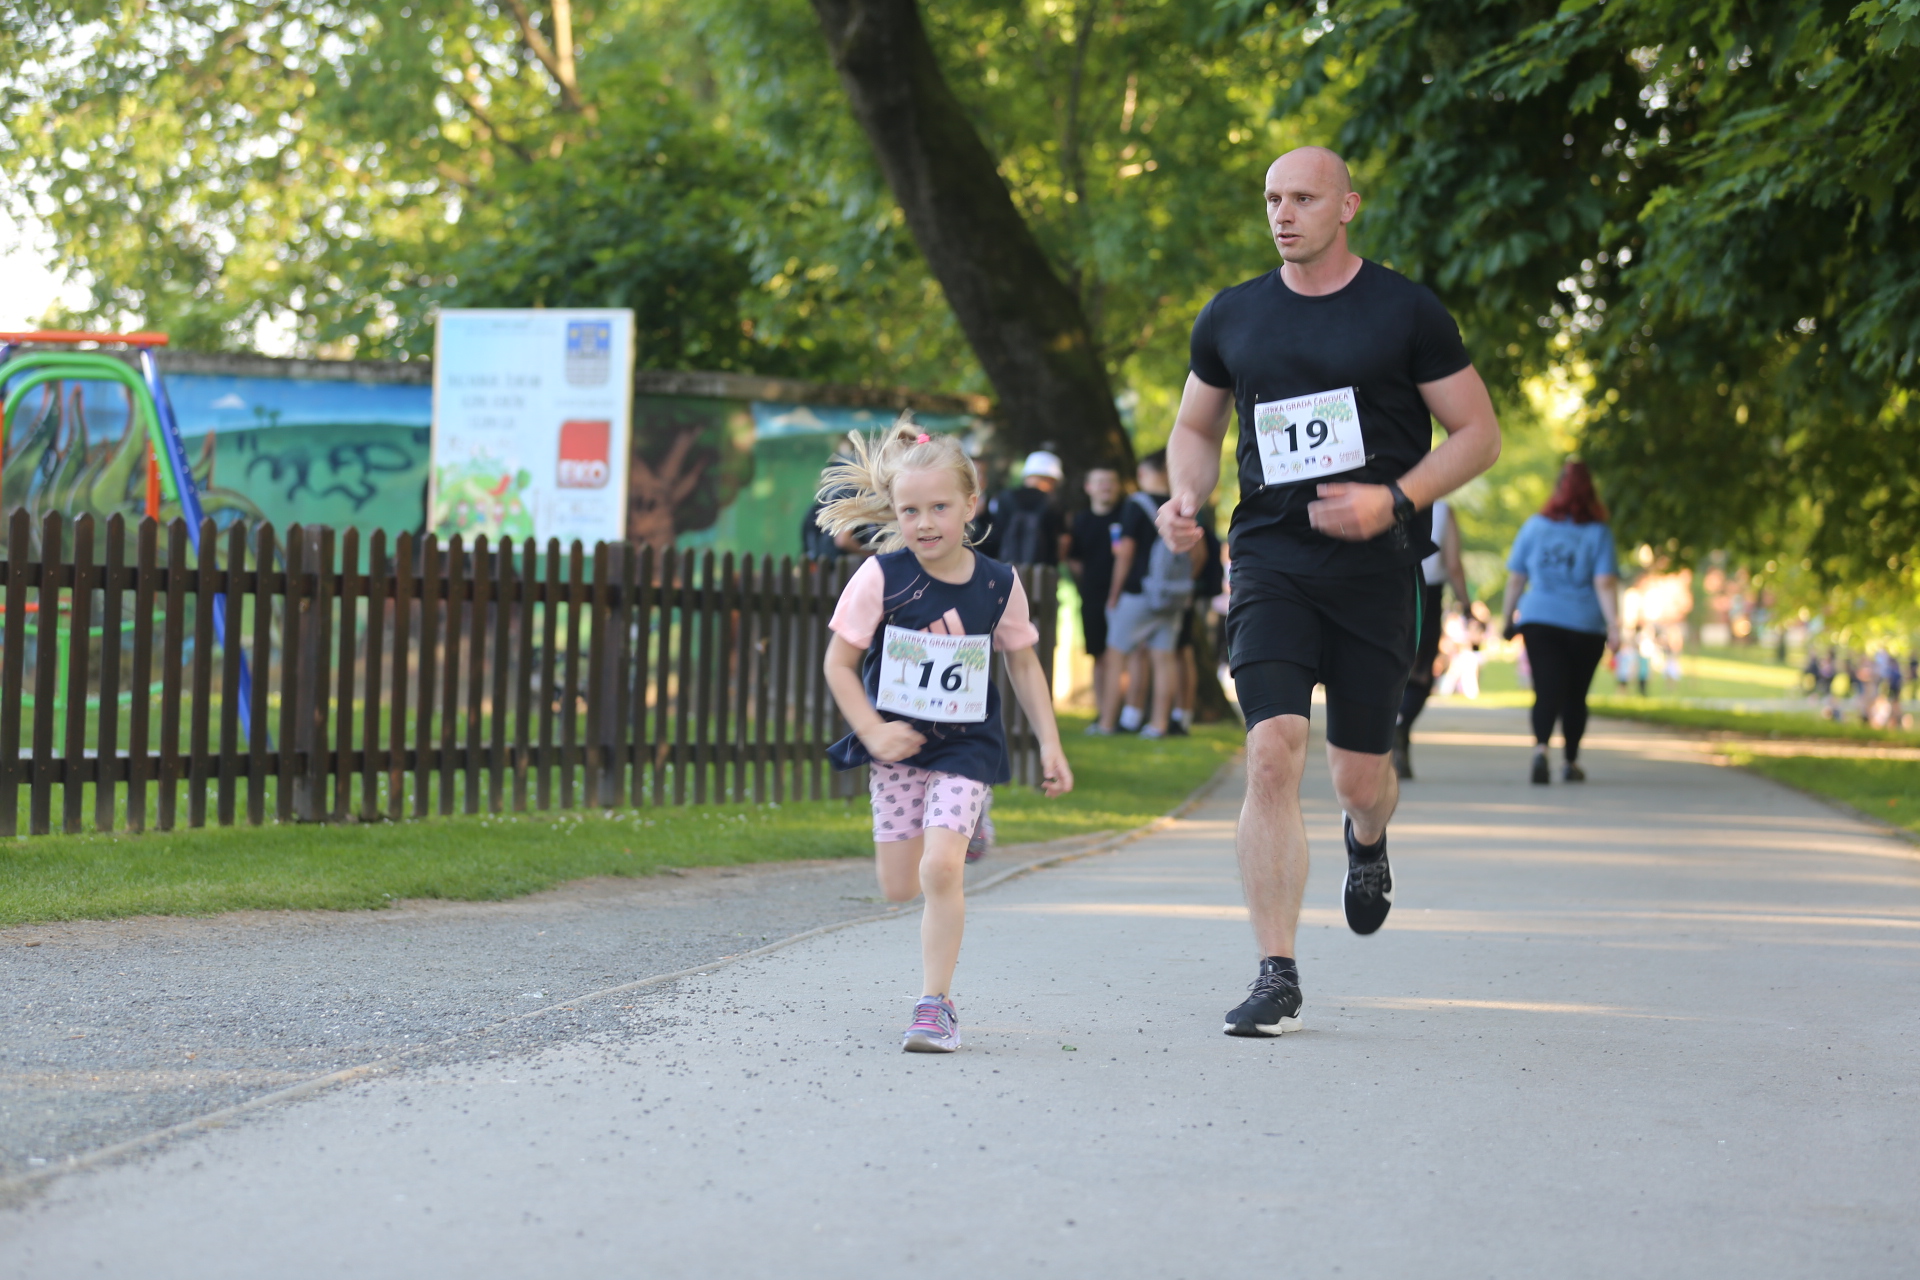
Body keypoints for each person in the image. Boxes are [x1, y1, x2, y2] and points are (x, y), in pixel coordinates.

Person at [1154, 145, 1503, 1038]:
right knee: (1272, 750)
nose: (1283, 213)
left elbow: (1476, 434)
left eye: (1303, 197)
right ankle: (1276, 971)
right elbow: (1195, 424)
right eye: (1272, 198)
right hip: (1270, 559)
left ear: (1347, 205)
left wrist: (1395, 498)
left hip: (1377, 572)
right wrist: (1185, 494)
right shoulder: (1233, 316)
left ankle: (1370, 839)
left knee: (1358, 776)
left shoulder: (1405, 311)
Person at [814, 425, 1073, 1053]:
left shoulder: (997, 584)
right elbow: (837, 666)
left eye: (939, 508)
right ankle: (966, 832)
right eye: (910, 510)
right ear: (895, 511)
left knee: (939, 869)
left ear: (971, 504)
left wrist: (1051, 744)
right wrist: (873, 730)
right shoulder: (881, 577)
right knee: (899, 886)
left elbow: (1024, 664)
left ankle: (936, 1004)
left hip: (966, 747)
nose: (925, 523)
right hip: (898, 747)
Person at [1500, 461, 1620, 785]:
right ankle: (1571, 761)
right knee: (1576, 696)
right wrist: (1615, 627)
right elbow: (1605, 583)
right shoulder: (1598, 532)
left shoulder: (1535, 527)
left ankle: (1540, 750)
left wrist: (1507, 618)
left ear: (1557, 490)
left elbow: (1516, 578)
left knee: (1545, 690)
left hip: (1540, 619)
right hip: (1585, 625)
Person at [1103, 450, 1197, 739]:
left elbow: (1126, 554)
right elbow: (1198, 550)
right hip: (1171, 596)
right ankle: (1158, 724)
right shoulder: (1181, 506)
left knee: (1116, 653)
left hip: (1138, 592)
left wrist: (1114, 593)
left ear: (1144, 472)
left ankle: (1106, 723)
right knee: (1164, 658)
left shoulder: (1136, 505)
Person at [1393, 496, 1470, 778]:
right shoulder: (1441, 509)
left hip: (1386, 590)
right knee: (1422, 672)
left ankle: (1388, 729)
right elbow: (1453, 564)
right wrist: (1466, 602)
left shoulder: (1380, 494)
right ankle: (1400, 724)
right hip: (1425, 595)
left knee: (1390, 666)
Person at [1065, 466, 1124, 735]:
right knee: (1098, 656)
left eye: (1110, 481)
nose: (1106, 487)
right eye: (1100, 482)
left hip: (1124, 597)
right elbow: (1073, 558)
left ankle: (1122, 715)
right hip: (1091, 597)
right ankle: (1103, 714)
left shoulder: (1127, 517)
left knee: (1121, 656)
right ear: (1088, 487)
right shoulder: (1081, 520)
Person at [976, 451, 1065, 566]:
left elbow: (993, 536)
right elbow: (1064, 540)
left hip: (1007, 572)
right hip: (1042, 573)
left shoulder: (1004, 498)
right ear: (1051, 479)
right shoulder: (1054, 502)